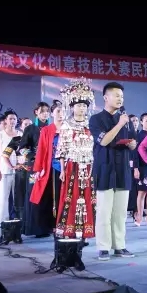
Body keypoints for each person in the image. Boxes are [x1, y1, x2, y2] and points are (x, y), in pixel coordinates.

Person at [89, 81, 137, 260]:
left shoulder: (125, 120)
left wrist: (132, 144)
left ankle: (119, 245)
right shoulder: (95, 119)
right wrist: (119, 124)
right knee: (104, 212)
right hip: (105, 169)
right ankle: (103, 247)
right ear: (106, 97)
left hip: (122, 168)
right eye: (116, 95)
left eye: (122, 96)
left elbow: (133, 142)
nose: (120, 99)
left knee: (120, 212)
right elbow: (103, 141)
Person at [55, 78, 96, 242]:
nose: (82, 108)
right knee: (71, 197)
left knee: (89, 197)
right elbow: (62, 150)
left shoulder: (92, 124)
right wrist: (62, 170)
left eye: (84, 106)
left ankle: (88, 229)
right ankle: (69, 229)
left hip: (89, 166)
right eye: (79, 105)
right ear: (72, 107)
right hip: (73, 165)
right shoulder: (67, 125)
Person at [29, 101, 64, 238]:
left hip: (66, 167)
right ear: (52, 114)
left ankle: (63, 226)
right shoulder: (46, 130)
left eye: (63, 111)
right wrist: (38, 169)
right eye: (58, 111)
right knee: (48, 197)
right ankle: (50, 226)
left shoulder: (69, 129)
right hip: (50, 167)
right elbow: (42, 151)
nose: (61, 114)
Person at [18, 102, 51, 236]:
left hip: (50, 166)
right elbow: (22, 148)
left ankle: (48, 227)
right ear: (36, 112)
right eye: (42, 111)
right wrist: (34, 157)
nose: (45, 113)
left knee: (48, 195)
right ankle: (34, 228)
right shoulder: (30, 129)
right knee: (34, 194)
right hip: (34, 167)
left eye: (47, 111)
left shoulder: (52, 127)